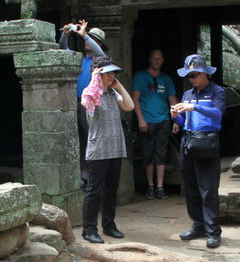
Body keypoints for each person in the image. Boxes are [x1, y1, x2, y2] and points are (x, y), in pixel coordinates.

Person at [172, 54, 225, 249]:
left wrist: (194, 107)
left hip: (208, 141)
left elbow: (218, 113)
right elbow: (182, 122)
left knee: (208, 188)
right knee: (191, 186)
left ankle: (213, 230)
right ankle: (198, 225)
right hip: (188, 140)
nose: (191, 79)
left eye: (194, 75)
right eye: (189, 76)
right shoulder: (188, 94)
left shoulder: (217, 92)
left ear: (204, 73)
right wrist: (176, 116)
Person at [80, 57, 135, 244]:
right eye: (108, 73)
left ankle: (109, 225)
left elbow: (130, 105)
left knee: (111, 190)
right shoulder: (90, 93)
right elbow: (86, 102)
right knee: (94, 190)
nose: (112, 76)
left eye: (113, 73)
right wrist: (94, 80)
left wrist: (119, 86)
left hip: (116, 148)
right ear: (98, 74)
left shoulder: (113, 95)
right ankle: (89, 229)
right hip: (98, 149)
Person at [59, 20, 107, 167]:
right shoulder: (80, 58)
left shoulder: (100, 59)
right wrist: (65, 34)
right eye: (88, 38)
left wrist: (85, 35)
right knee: (77, 138)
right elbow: (63, 48)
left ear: (98, 43)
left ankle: (93, 172)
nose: (88, 40)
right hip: (76, 102)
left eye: (93, 39)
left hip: (91, 104)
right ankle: (83, 174)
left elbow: (100, 52)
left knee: (91, 138)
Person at [133, 49, 178, 199]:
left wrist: (176, 119)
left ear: (163, 60)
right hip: (147, 120)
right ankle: (150, 186)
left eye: (159, 58)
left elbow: (172, 100)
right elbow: (135, 99)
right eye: (154, 58)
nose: (157, 61)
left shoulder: (167, 79)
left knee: (161, 153)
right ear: (149, 60)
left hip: (163, 120)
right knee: (147, 154)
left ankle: (160, 186)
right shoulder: (140, 77)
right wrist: (140, 119)